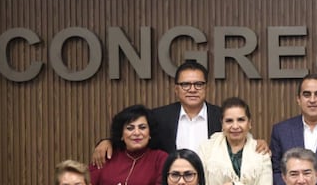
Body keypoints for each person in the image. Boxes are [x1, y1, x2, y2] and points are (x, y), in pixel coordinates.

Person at [91, 61, 269, 164]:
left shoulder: (222, 117)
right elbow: (135, 140)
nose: (192, 89)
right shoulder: (158, 117)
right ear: (176, 89)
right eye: (186, 85)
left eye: (198, 84)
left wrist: (257, 143)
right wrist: (107, 141)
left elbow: (240, 141)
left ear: (207, 87)